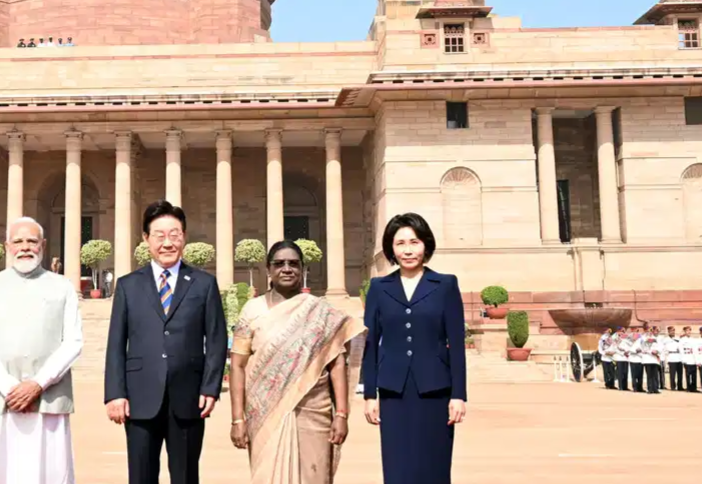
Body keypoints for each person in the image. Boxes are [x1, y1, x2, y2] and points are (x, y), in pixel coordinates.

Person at [105, 200, 228, 484]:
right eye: (159, 235)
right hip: (139, 398)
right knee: (141, 476)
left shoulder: (203, 284)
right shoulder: (128, 285)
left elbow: (217, 340)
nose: (167, 243)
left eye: (174, 234)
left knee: (185, 476)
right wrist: (115, 393)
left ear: (184, 236)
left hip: (188, 397)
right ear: (146, 239)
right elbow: (115, 344)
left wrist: (211, 387)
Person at [228, 240, 363, 484]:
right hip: (265, 416)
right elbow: (237, 365)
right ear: (268, 270)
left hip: (314, 413)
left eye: (293, 264)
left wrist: (341, 415)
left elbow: (337, 365)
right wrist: (238, 419)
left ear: (302, 269)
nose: (287, 268)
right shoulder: (252, 310)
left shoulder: (321, 311)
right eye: (279, 264)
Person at [0, 216, 83, 484]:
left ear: (43, 245)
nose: (25, 247)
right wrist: (10, 387)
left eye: (32, 241)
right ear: (7, 246)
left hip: (48, 396)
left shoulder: (62, 286)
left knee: (49, 473)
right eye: (18, 241)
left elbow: (73, 341)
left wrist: (37, 384)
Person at [363, 213, 467, 484]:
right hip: (393, 391)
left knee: (434, 466)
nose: (408, 250)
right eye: (400, 244)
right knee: (398, 467)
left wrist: (459, 395)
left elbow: (456, 344)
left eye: (415, 242)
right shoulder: (378, 287)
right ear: (391, 249)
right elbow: (370, 343)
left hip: (435, 390)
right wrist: (369, 394)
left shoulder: (445, 285)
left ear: (426, 245)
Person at [662, 326, 682, 391]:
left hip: (678, 356)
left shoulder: (678, 338)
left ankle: (680, 386)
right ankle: (673, 386)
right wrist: (666, 358)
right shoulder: (665, 340)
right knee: (672, 374)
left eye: (673, 330)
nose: (672, 332)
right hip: (671, 356)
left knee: (680, 373)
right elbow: (664, 349)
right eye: (671, 331)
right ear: (668, 332)